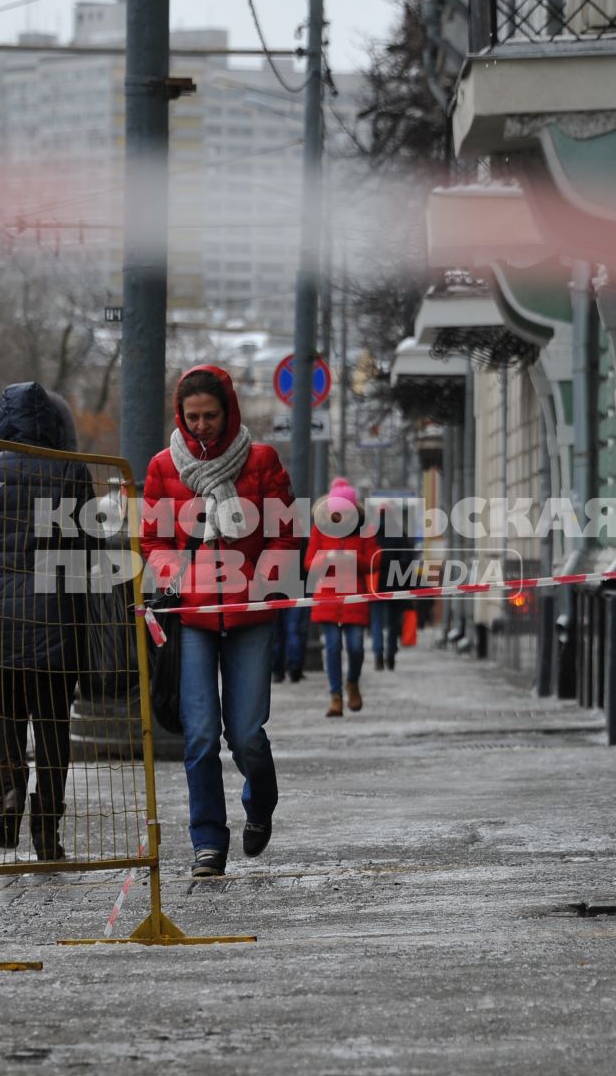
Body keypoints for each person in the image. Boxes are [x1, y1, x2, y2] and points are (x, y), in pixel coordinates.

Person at [140, 364, 295, 878]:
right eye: (192, 417)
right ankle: (208, 841)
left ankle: (261, 800)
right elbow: (153, 541)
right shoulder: (164, 466)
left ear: (228, 412)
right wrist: (176, 576)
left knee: (247, 732)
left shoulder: (263, 460)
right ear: (180, 418)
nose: (201, 425)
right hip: (192, 616)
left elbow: (286, 532)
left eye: (210, 415)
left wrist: (263, 574)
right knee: (201, 734)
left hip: (250, 612)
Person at [0, 382, 89, 862]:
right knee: (54, 725)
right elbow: (83, 553)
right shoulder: (71, 471)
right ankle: (47, 826)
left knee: (7, 717)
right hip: (55, 621)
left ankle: (10, 790)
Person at [305, 477, 379, 717]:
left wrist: (352, 558)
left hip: (354, 598)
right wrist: (325, 559)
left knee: (356, 647)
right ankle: (335, 696)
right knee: (333, 647)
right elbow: (308, 564)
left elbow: (373, 563)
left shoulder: (364, 530)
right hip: (327, 596)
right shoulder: (320, 528)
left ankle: (353, 683)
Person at [368, 497, 414, 671]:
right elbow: (407, 560)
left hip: (375, 583)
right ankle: (390, 655)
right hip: (395, 584)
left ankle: (378, 655)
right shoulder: (399, 533)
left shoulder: (371, 533)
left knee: (377, 622)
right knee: (393, 622)